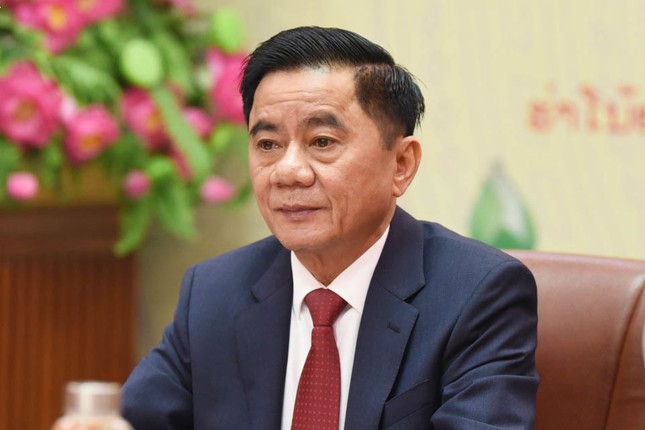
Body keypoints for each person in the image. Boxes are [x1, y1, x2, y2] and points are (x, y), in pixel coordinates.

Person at [122, 26, 539, 429]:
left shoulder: (477, 294)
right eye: (268, 145)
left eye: (322, 142)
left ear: (401, 164)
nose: (288, 172)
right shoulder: (214, 293)